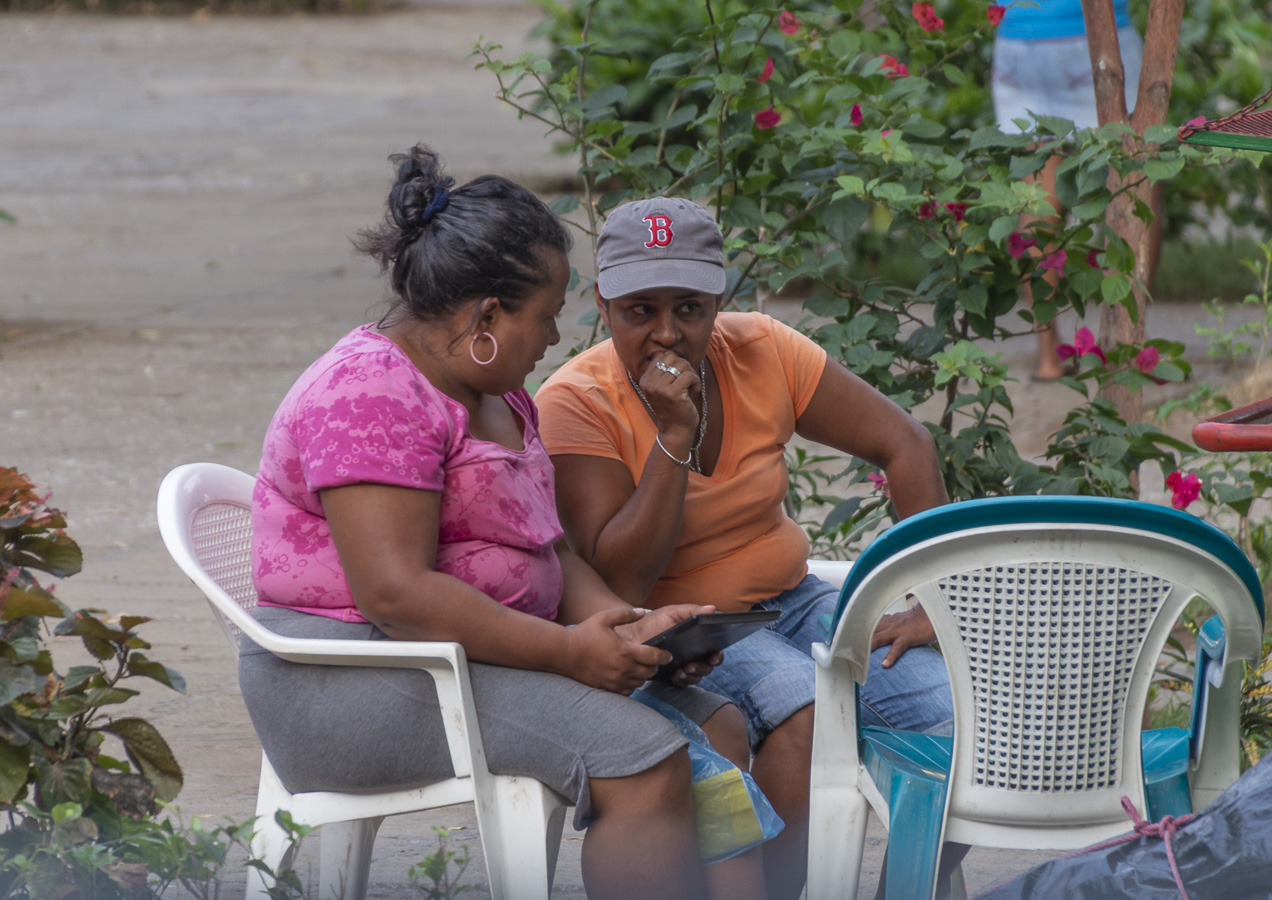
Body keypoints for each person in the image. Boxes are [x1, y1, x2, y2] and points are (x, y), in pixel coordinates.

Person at [240, 147, 768, 900]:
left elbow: (548, 546)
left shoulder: (496, 390)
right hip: (351, 677)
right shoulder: (368, 393)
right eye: (547, 317)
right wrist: (565, 652)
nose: (555, 340)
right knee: (643, 758)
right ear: (487, 314)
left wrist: (630, 628)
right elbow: (394, 594)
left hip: (469, 660)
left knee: (714, 726)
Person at [535, 197, 958, 900]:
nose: (668, 333)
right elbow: (619, 578)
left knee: (973, 714)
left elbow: (906, 444)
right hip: (685, 625)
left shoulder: (763, 348)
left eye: (691, 308)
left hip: (794, 601)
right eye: (640, 310)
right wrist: (674, 436)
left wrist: (932, 603)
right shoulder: (576, 401)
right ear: (603, 306)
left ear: (718, 299)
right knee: (806, 709)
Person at [991, 0, 1145, 381]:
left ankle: (1048, 357)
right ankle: (1131, 348)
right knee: (1135, 180)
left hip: (1016, 40)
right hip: (1092, 37)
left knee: (1036, 198)